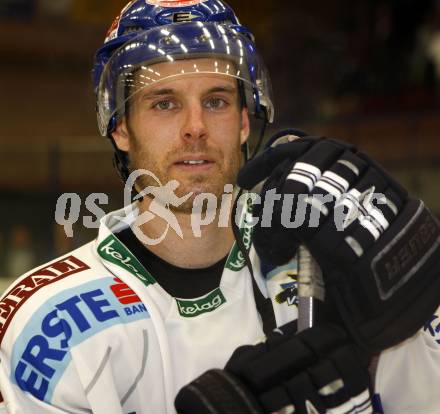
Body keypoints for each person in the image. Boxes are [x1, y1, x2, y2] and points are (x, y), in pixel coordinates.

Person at [0, 1, 439, 413]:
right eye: (165, 103)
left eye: (216, 101)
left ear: (245, 121)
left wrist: (418, 299)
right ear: (120, 128)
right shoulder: (49, 323)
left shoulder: (325, 266)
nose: (196, 128)